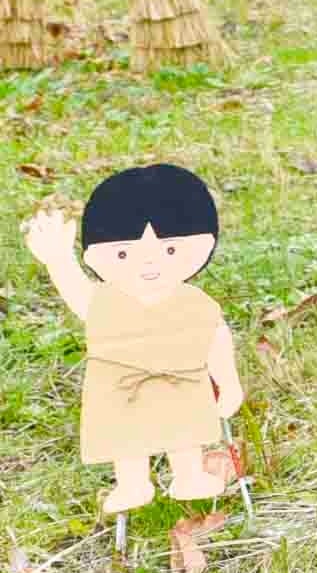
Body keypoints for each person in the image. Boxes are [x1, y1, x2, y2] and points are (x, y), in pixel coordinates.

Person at [21, 164, 241, 515]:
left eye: (170, 250)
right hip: (121, 387)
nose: (149, 264)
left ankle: (189, 474)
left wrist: (229, 385)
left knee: (183, 428)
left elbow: (216, 339)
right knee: (127, 437)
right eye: (123, 254)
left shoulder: (196, 303)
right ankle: (132, 483)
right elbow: (78, 293)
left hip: (181, 381)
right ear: (95, 256)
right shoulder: (105, 301)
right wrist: (59, 260)